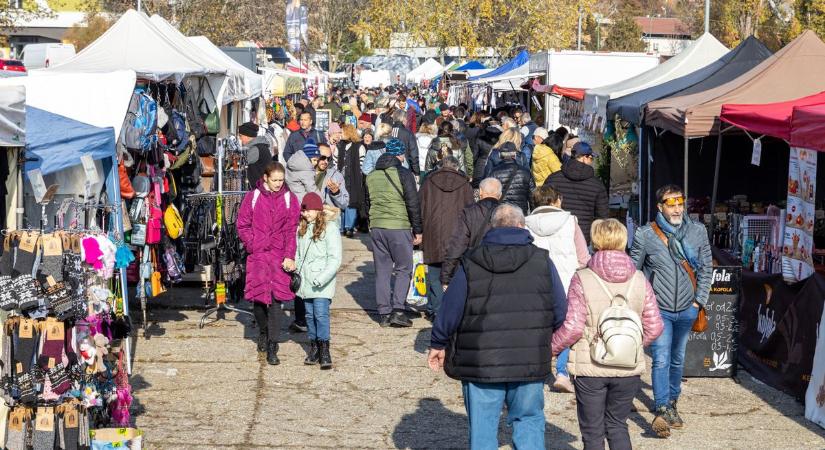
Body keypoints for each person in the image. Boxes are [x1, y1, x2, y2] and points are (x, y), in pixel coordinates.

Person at [427, 204, 567, 450]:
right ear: (522, 226)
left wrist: (438, 342)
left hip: (481, 360)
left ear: (491, 227)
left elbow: (451, 307)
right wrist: (548, 342)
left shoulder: (470, 262)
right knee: (529, 421)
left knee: (482, 428)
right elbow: (561, 311)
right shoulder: (542, 261)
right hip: (528, 359)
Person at [553, 218, 664, 449]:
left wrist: (551, 348)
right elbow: (655, 326)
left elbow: (573, 326)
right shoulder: (640, 279)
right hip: (628, 367)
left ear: (595, 241)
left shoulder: (581, 278)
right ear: (624, 241)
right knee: (618, 425)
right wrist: (630, 345)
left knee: (593, 431)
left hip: (590, 365)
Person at [630, 184, 712, 438]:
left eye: (680, 203)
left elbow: (707, 268)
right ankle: (662, 407)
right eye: (671, 203)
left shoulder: (698, 231)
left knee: (678, 359)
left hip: (688, 308)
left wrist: (699, 301)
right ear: (660, 207)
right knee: (661, 358)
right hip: (660, 309)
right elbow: (634, 270)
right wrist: (645, 303)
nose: (677, 208)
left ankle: (673, 402)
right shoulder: (646, 234)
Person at [525, 184, 591, 393]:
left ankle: (535, 370)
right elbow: (583, 257)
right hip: (566, 280)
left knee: (537, 326)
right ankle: (562, 372)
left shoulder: (525, 224)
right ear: (556, 201)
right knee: (566, 326)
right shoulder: (570, 222)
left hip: (535, 281)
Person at [237, 162, 301, 365]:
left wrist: (290, 255)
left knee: (276, 302)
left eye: (281, 180)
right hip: (258, 257)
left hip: (279, 256)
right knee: (258, 302)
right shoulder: (253, 197)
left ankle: (273, 344)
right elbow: (242, 224)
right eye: (274, 180)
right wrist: (253, 243)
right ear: (265, 178)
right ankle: (263, 331)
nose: (278, 184)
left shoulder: (290, 199)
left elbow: (292, 231)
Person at [365, 138, 423, 328]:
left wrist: (371, 222)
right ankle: (398, 310)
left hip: (377, 227)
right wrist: (418, 230)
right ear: (400, 155)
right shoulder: (403, 173)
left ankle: (383, 313)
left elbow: (367, 203)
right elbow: (413, 203)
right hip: (399, 226)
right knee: (403, 268)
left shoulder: (371, 175)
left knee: (382, 271)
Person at [419, 156, 473, 321]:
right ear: (456, 167)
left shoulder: (429, 182)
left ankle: (436, 309)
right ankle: (451, 310)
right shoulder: (464, 184)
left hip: (433, 233)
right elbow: (470, 209)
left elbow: (420, 206)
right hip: (457, 235)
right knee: (455, 275)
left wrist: (419, 230)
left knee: (435, 275)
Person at [295, 192, 343, 370]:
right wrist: (296, 271)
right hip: (306, 280)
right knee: (309, 315)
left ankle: (324, 348)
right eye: (303, 211)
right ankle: (313, 346)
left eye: (307, 211)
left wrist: (322, 278)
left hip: (321, 281)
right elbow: (298, 254)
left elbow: (335, 258)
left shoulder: (329, 228)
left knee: (321, 314)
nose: (304, 214)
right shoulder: (301, 228)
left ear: (317, 209)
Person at [440, 178, 502, 287]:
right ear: (500, 195)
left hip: (475, 269)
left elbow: (457, 245)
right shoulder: (507, 212)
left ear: (481, 192)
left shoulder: (469, 212)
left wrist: (446, 277)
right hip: (500, 268)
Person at [543, 142, 608, 245]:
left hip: (555, 235)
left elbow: (542, 206)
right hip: (583, 239)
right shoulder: (597, 185)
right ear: (584, 158)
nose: (592, 161)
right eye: (591, 158)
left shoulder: (553, 179)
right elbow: (602, 217)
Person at [337, 124, 367, 237]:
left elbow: (362, 165)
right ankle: (341, 227)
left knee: (352, 201)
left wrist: (358, 179)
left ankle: (349, 227)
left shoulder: (359, 147)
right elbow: (336, 163)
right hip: (341, 178)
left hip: (354, 179)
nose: (340, 134)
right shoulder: (340, 146)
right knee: (341, 201)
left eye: (342, 132)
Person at [489, 142, 534, 214]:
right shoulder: (525, 172)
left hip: (501, 212)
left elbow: (490, 195)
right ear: (515, 155)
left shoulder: (494, 172)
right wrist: (532, 213)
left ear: (500, 155)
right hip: (520, 212)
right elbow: (532, 195)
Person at [238, 122, 273, 188]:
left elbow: (240, 163)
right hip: (260, 186)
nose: (240, 138)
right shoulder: (259, 146)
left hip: (259, 188)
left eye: (240, 135)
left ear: (247, 136)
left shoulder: (255, 149)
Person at [390, 109, 421, 174]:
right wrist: (416, 172)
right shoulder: (408, 134)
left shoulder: (388, 131)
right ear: (403, 119)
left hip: (389, 167)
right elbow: (414, 155)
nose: (407, 121)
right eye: (406, 119)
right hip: (404, 168)